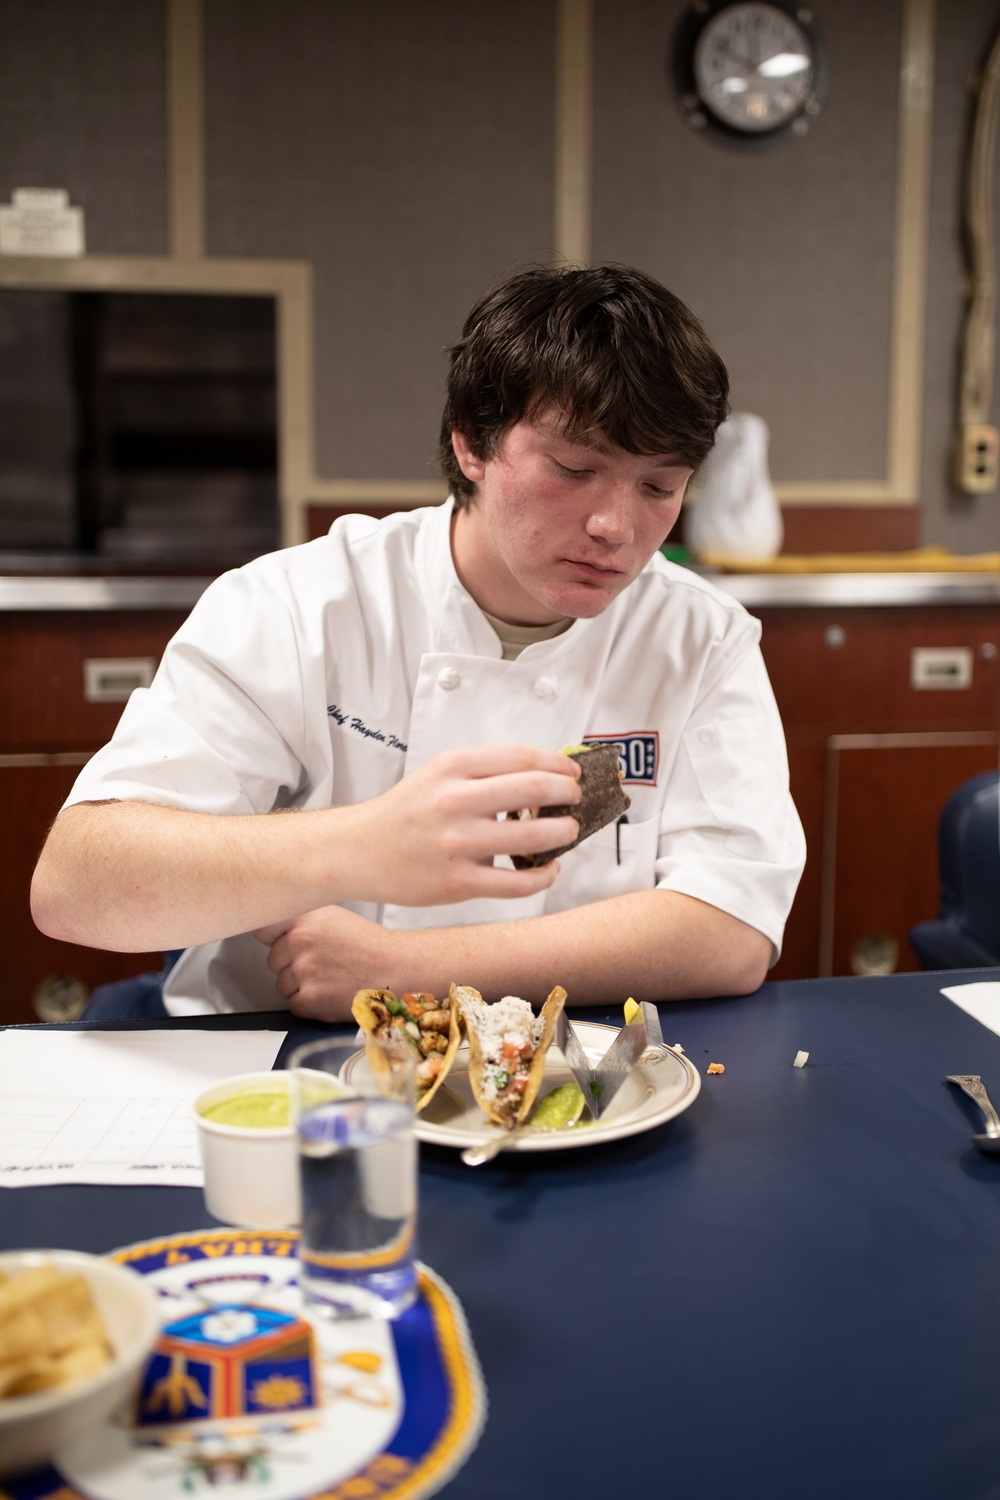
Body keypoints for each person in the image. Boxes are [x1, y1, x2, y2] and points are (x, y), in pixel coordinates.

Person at [31, 264, 805, 1019]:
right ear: (471, 444)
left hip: (569, 1068)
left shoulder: (699, 635)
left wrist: (407, 972)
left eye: (659, 487)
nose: (616, 527)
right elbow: (77, 888)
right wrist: (367, 844)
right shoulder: (301, 603)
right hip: (281, 1060)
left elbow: (732, 929)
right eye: (574, 468)